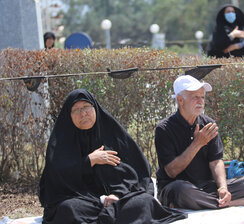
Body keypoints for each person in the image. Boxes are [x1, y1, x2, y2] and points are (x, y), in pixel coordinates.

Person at [39, 89, 186, 224]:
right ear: (69, 115)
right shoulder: (61, 142)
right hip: (83, 201)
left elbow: (135, 172)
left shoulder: (112, 134)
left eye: (86, 107)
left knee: (143, 202)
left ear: (95, 108)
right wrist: (89, 161)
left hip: (120, 199)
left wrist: (117, 194)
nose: (82, 113)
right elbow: (56, 179)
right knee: (68, 209)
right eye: (76, 110)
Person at [155, 75, 244, 210]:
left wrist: (222, 187)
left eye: (202, 97)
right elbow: (171, 172)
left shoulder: (208, 124)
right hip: (176, 187)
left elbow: (216, 161)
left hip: (205, 187)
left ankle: (212, 201)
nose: (201, 101)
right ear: (180, 100)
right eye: (195, 97)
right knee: (181, 191)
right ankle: (233, 203)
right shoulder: (164, 129)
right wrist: (197, 144)